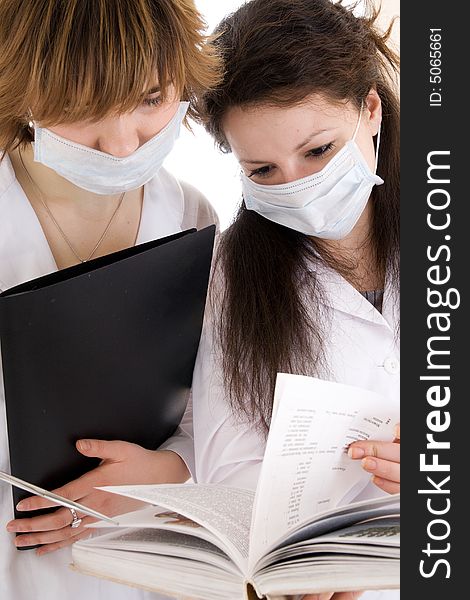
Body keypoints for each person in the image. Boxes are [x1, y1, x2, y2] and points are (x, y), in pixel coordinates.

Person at [0, 1, 219, 599]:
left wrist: (170, 472)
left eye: (151, 99)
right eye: (83, 106)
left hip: (142, 560)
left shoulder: (192, 217)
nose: (123, 144)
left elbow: (214, 412)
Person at [190, 0, 401, 599]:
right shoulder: (230, 273)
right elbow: (227, 467)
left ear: (370, 109)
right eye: (263, 170)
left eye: (317, 152)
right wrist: (302, 564)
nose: (297, 185)